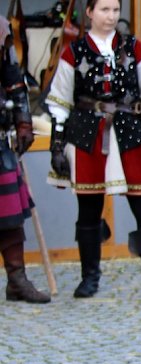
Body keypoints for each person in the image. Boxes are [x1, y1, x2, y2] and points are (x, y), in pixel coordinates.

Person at [45, 0, 141, 298]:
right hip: (87, 135)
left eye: (116, 10)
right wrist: (56, 148)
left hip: (129, 131)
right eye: (104, 10)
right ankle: (89, 278)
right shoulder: (73, 52)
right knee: (89, 209)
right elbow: (59, 102)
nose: (111, 16)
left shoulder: (133, 48)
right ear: (89, 12)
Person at [0, 16, 49, 304]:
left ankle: (16, 280)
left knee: (9, 215)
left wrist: (24, 123)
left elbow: (14, 83)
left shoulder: (1, 29)